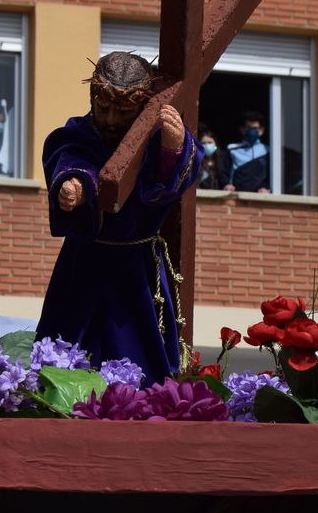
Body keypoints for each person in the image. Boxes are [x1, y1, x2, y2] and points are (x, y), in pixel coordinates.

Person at [35, 52, 202, 384]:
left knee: (143, 360)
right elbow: (68, 155)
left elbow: (171, 179)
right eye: (104, 108)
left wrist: (172, 147)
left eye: (123, 112)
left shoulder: (154, 137)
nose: (111, 119)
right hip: (84, 260)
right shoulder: (81, 131)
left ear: (141, 108)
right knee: (69, 352)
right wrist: (75, 185)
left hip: (137, 268)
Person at [220, 111, 270, 193]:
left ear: (262, 130)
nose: (252, 131)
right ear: (242, 129)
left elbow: (272, 175)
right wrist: (226, 184)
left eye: (255, 128)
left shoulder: (268, 150)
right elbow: (223, 171)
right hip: (235, 196)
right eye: (248, 128)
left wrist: (265, 187)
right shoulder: (231, 149)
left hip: (260, 196)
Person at [194, 123, 223, 191]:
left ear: (215, 144)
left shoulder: (221, 161)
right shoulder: (196, 162)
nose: (207, 145)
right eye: (204, 143)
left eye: (210, 143)